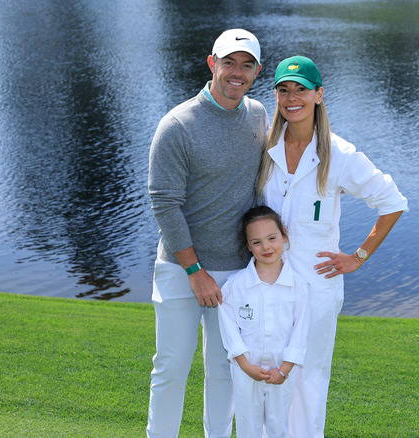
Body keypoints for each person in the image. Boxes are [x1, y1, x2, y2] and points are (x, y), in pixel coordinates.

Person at [257, 55, 409, 437]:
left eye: (302, 90)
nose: (293, 97)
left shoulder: (339, 155)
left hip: (316, 288)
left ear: (319, 95)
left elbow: (392, 202)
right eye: (284, 90)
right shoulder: (264, 147)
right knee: (265, 378)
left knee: (307, 382)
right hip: (267, 286)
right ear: (276, 95)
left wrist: (358, 257)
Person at [146, 29, 268, 438]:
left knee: (225, 368)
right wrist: (195, 270)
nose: (237, 72)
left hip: (235, 273)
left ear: (257, 72)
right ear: (212, 63)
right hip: (182, 269)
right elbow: (164, 203)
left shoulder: (258, 116)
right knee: (171, 366)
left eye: (246, 65)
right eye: (229, 62)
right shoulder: (177, 125)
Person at [217, 205, 310, 438]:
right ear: (249, 246)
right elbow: (229, 329)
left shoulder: (298, 286)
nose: (266, 247)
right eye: (257, 242)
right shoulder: (235, 285)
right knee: (248, 427)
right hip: (246, 369)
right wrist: (245, 365)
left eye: (272, 238)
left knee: (278, 427)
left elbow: (301, 331)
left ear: (284, 236)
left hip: (282, 369)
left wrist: (285, 369)